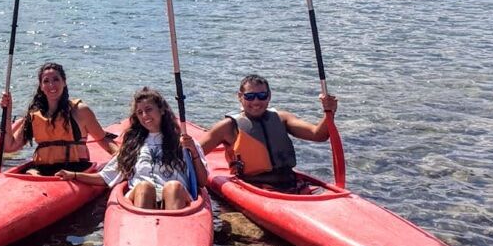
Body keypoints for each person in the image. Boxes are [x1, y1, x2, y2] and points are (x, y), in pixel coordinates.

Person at [69, 88, 207, 210]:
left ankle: (174, 230)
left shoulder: (184, 142)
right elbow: (105, 177)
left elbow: (202, 182)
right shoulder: (132, 145)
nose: (145, 116)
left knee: (173, 187)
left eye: (149, 110)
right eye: (140, 112)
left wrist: (193, 152)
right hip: (141, 199)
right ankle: (142, 228)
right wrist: (74, 175)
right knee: (144, 187)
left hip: (177, 199)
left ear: (162, 110)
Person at [198, 73, 338, 191]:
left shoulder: (282, 118)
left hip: (291, 183)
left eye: (262, 95)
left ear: (269, 96)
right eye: (250, 96)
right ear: (240, 96)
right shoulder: (227, 127)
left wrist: (329, 113)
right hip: (253, 186)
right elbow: (193, 153)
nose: (256, 101)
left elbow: (318, 135)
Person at [0, 62, 117, 175]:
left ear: (64, 82)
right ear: (41, 86)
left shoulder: (80, 110)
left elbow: (102, 139)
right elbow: (10, 146)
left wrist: (120, 157)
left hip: (76, 169)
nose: (51, 85)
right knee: (30, 172)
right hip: (43, 170)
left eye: (56, 79)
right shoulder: (34, 115)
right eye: (46, 81)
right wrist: (7, 111)